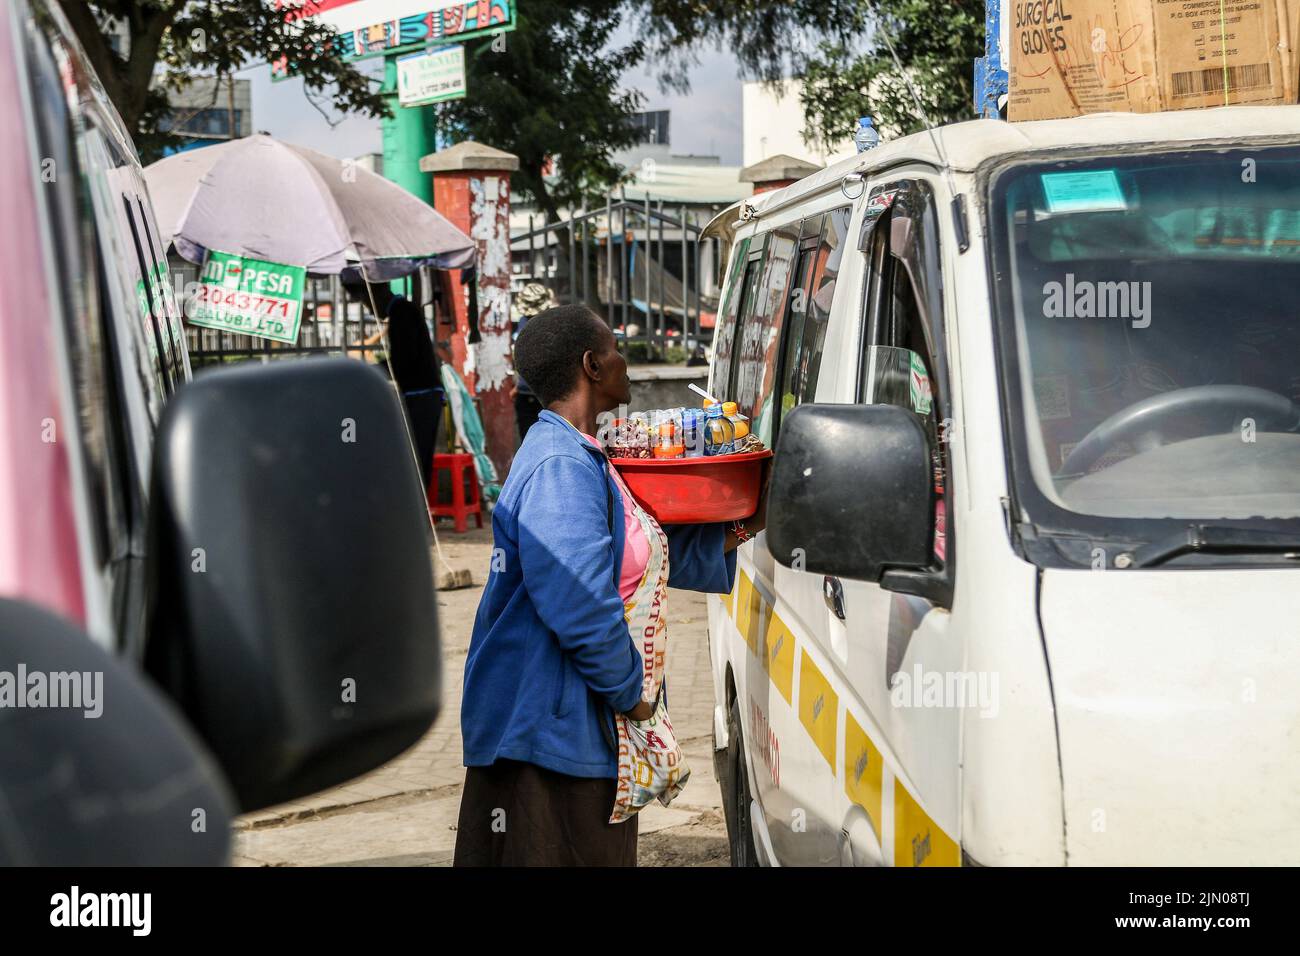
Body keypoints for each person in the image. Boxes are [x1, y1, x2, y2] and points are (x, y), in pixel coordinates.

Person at [453, 304, 765, 866]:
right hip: (546, 743)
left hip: (575, 733)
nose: (627, 360)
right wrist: (636, 701)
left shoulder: (586, 454)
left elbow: (648, 554)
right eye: (616, 348)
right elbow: (580, 606)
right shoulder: (560, 467)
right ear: (592, 366)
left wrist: (752, 516)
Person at [361, 283, 444, 495]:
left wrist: (369, 370)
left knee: (415, 460)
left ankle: (421, 516)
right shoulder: (402, 310)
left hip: (422, 396)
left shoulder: (401, 312)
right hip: (422, 395)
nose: (370, 309)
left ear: (377, 294)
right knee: (417, 460)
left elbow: (402, 361)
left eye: (367, 302)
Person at [508, 282, 555, 443]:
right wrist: (519, 386)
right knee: (531, 443)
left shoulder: (547, 324)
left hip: (545, 395)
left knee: (544, 443)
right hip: (528, 395)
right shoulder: (526, 322)